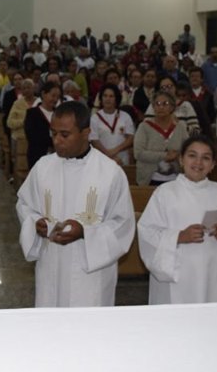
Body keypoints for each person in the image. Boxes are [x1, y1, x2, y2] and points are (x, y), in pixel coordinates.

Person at [16, 101, 134, 307]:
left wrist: (85, 233)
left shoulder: (110, 172)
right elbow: (25, 204)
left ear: (86, 132)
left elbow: (122, 224)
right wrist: (35, 223)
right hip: (51, 264)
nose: (57, 141)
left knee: (87, 331)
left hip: (90, 271)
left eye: (65, 135)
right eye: (53, 134)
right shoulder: (43, 167)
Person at [138, 134, 217, 304]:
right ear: (181, 159)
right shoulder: (165, 192)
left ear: (213, 164)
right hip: (175, 274)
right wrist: (179, 236)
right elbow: (147, 231)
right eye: (192, 155)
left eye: (206, 158)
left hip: (212, 273)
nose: (198, 163)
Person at [133, 91, 186, 186]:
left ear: (172, 107)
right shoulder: (144, 127)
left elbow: (187, 150)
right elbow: (138, 153)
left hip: (176, 179)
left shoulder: (180, 127)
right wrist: (165, 156)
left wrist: (177, 155)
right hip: (150, 180)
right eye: (157, 104)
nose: (161, 107)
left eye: (165, 104)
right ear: (153, 107)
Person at [89, 84, 135, 166]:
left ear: (116, 98)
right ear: (101, 98)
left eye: (111, 96)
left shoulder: (125, 116)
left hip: (121, 159)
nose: (108, 99)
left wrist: (114, 151)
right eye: (105, 96)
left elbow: (130, 138)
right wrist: (108, 154)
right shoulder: (95, 118)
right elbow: (94, 141)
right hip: (102, 159)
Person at [24, 81, 62, 169]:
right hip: (38, 155)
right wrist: (51, 142)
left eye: (58, 97)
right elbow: (31, 136)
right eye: (53, 96)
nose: (55, 99)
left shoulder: (59, 114)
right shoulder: (32, 113)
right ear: (44, 94)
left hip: (57, 156)